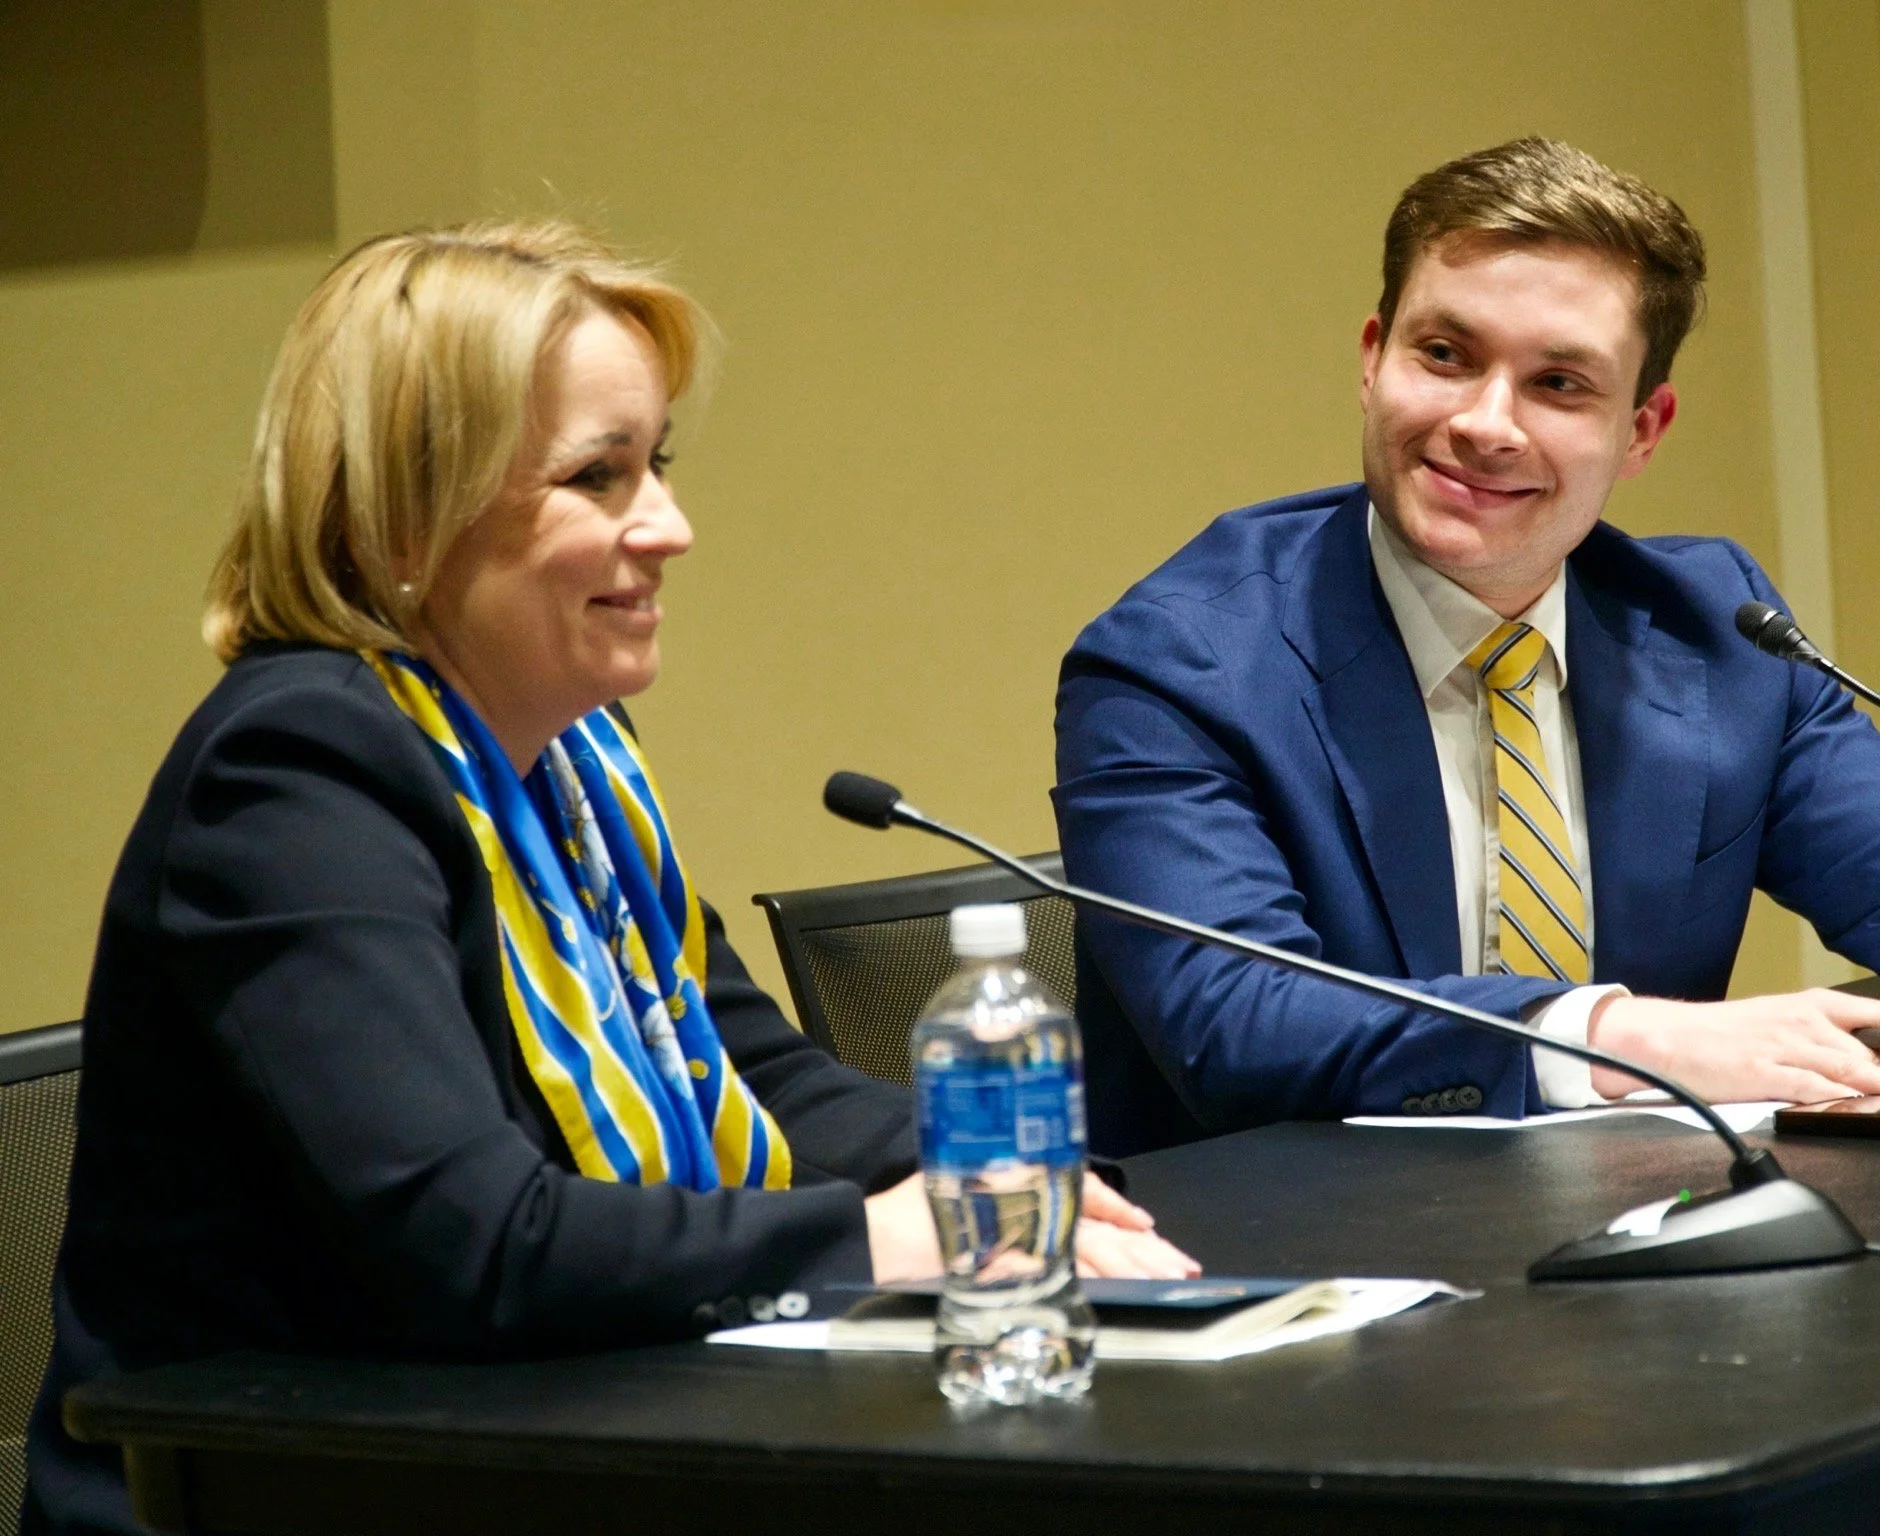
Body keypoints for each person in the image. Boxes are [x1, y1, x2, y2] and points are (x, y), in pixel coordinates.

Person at [25, 222, 1193, 1536]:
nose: (671, 527)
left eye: (658, 464)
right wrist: (891, 1239)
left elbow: (753, 1073)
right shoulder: (297, 776)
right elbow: (471, 1238)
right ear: (404, 518)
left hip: (543, 1440)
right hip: (276, 1492)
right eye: (598, 476)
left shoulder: (573, 752)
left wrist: (1019, 1171)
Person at [1053, 135, 1880, 1160]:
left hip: (1640, 1245)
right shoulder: (1179, 665)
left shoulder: (1711, 630)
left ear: (1642, 430)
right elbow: (1238, 1019)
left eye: (1559, 384)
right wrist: (1626, 1037)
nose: (1485, 423)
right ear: (1374, 361)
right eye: (1445, 355)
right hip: (1298, 1284)